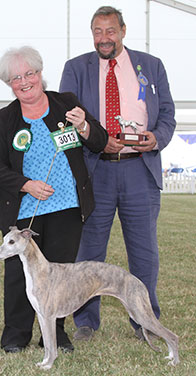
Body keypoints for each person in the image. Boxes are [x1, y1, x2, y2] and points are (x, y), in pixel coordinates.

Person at [60, 6, 176, 341]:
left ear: (123, 30)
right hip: (95, 172)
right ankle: (86, 322)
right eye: (97, 31)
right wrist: (95, 139)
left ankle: (146, 322)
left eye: (110, 31)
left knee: (143, 252)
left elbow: (167, 112)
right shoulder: (76, 68)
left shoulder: (151, 66)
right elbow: (65, 117)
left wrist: (158, 138)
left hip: (140, 169)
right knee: (90, 253)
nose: (104, 38)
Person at [0, 46, 108, 353]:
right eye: (16, 78)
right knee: (19, 273)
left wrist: (83, 125)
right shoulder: (5, 118)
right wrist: (26, 184)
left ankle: (55, 333)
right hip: (25, 208)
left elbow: (100, 141)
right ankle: (16, 332)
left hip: (67, 205)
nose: (25, 81)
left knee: (60, 272)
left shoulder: (66, 103)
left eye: (30, 73)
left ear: (40, 74)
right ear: (9, 84)